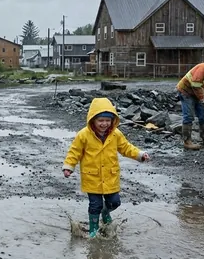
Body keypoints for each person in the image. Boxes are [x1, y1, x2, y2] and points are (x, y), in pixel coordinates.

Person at [62, 97, 150, 238]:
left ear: (112, 120)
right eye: (100, 120)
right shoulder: (83, 135)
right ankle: (93, 231)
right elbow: (74, 152)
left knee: (115, 202)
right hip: (92, 178)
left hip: (110, 177)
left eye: (107, 120)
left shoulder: (115, 134)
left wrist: (140, 155)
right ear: (93, 120)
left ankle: (105, 212)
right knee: (94, 205)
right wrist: (69, 166)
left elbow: (126, 148)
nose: (104, 124)